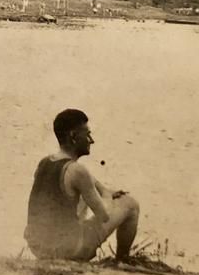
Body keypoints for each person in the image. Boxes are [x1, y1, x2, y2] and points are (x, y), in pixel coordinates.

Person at [24, 108, 140, 262]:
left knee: (82, 197)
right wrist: (107, 196)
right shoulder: (78, 171)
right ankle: (122, 260)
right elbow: (104, 216)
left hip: (38, 247)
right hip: (69, 250)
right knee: (131, 205)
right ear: (73, 136)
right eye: (87, 134)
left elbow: (86, 182)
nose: (91, 140)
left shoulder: (45, 162)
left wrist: (105, 190)